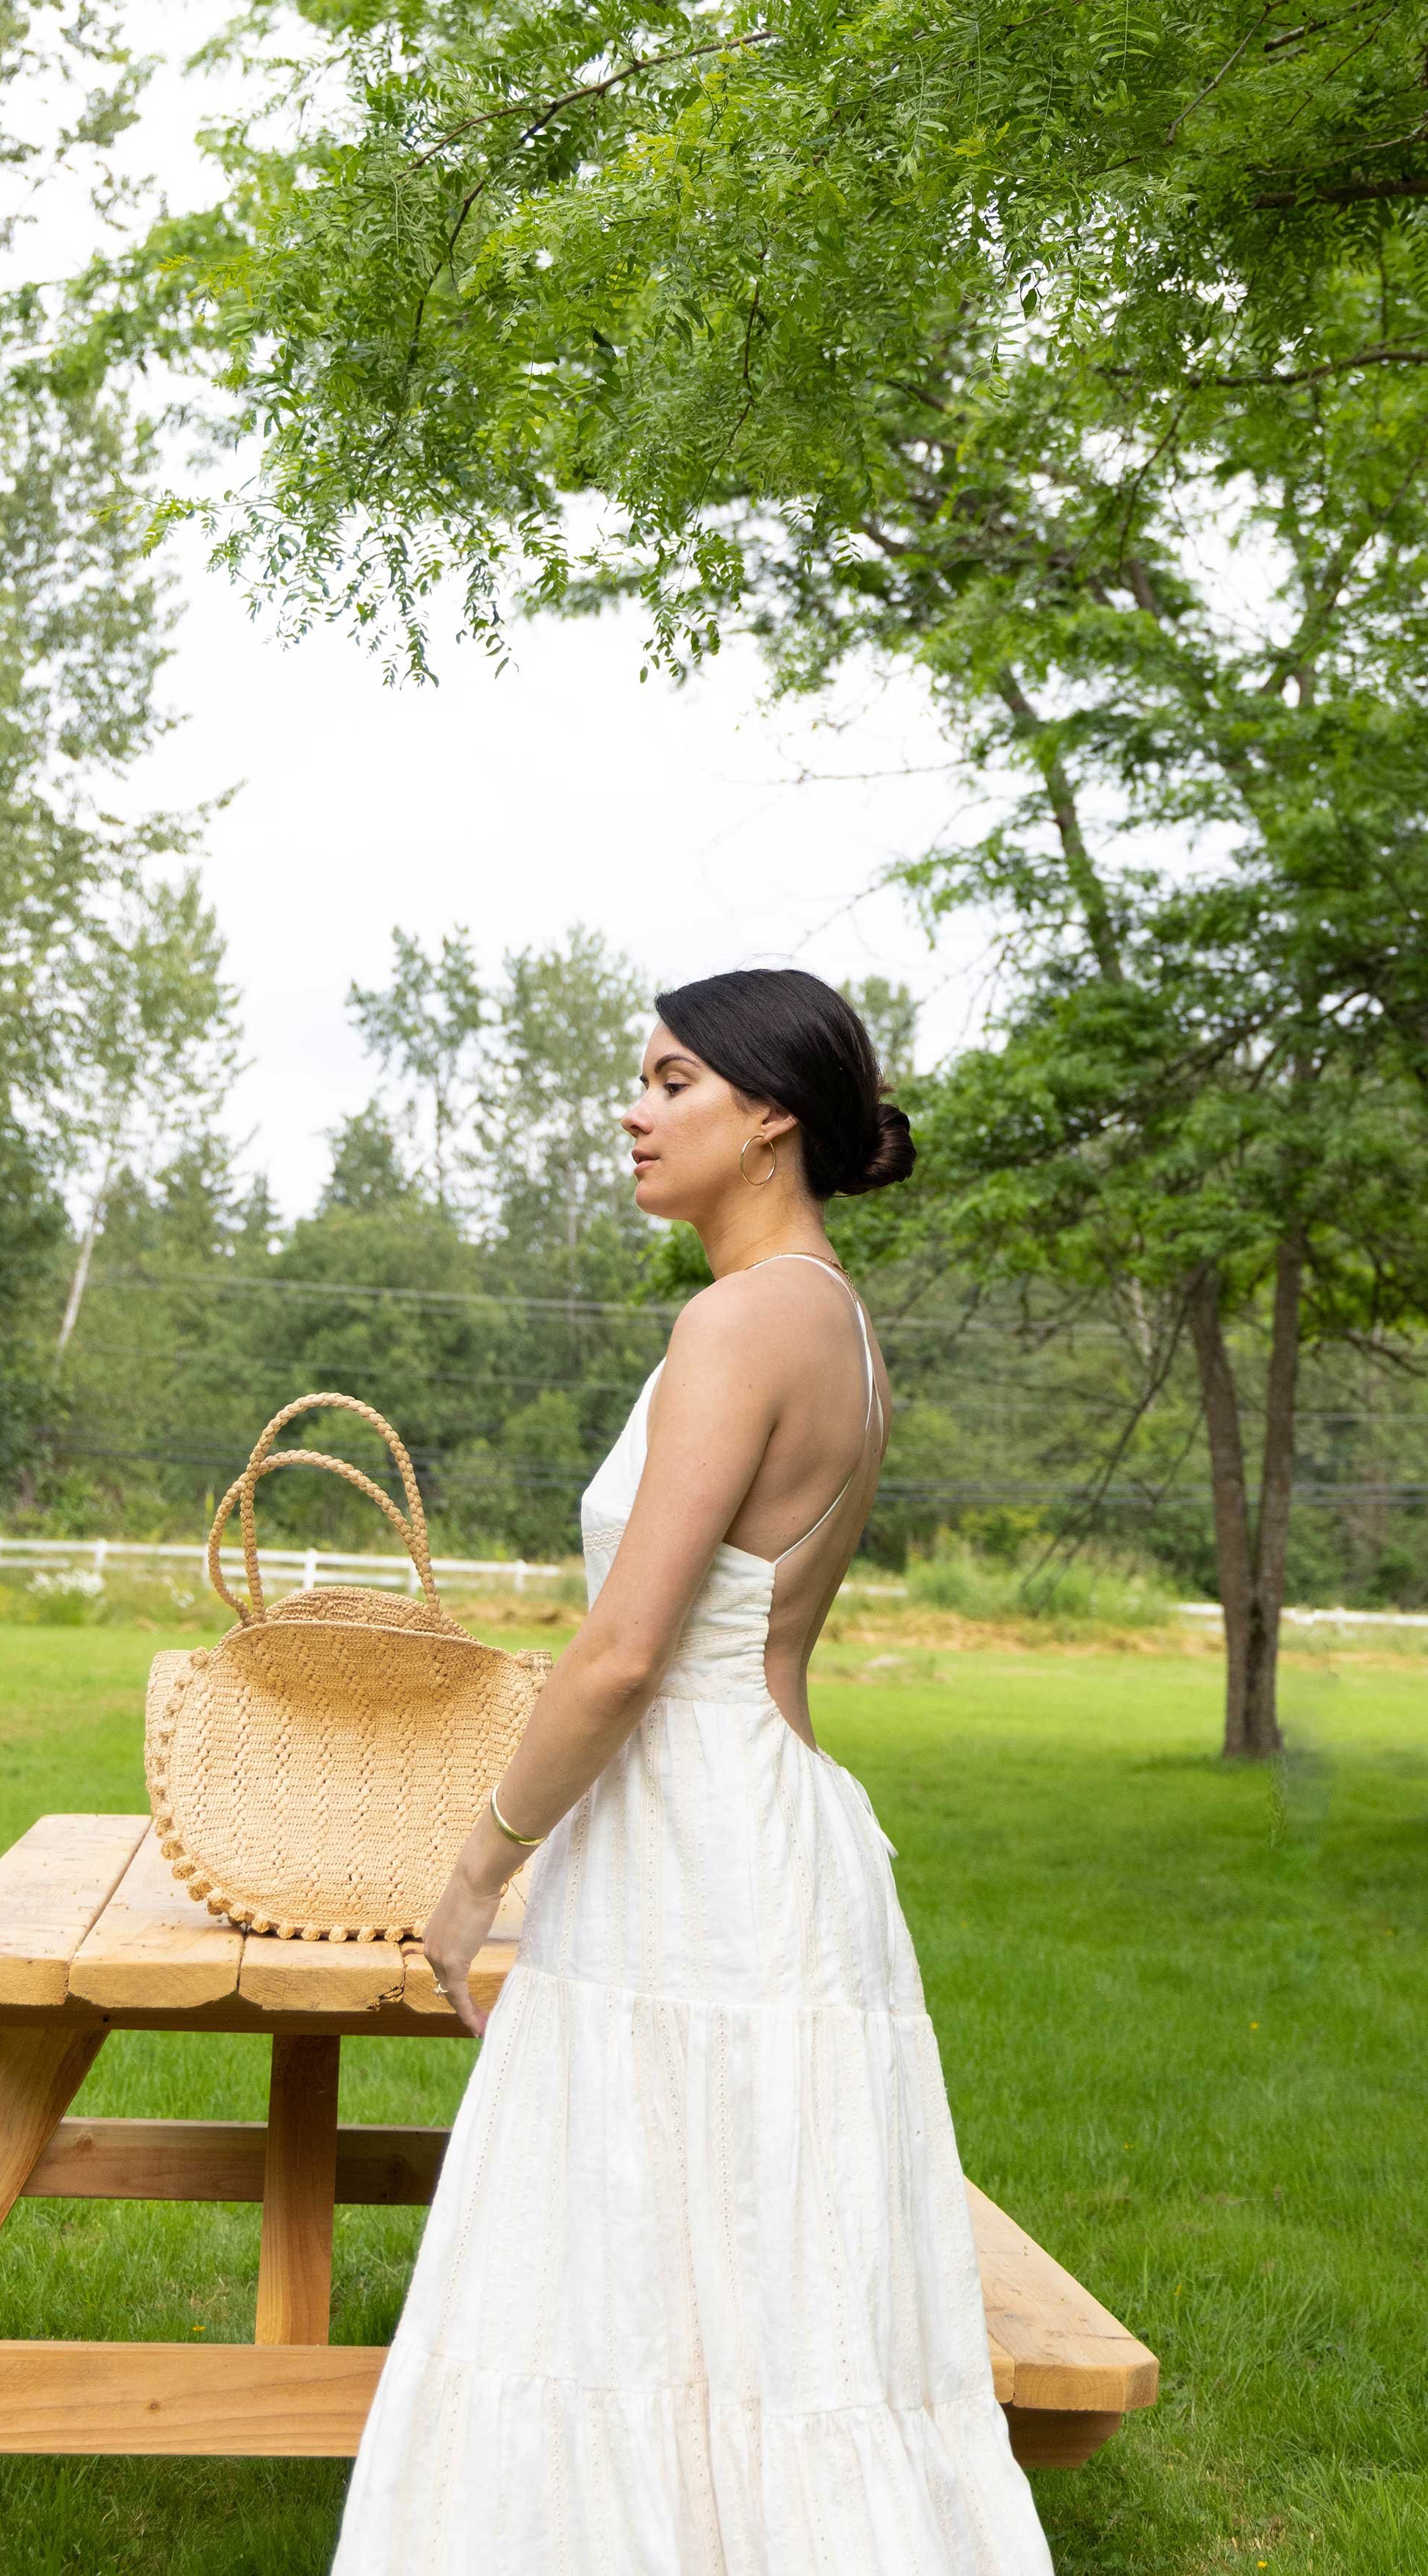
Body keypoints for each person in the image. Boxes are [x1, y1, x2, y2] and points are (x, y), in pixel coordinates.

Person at [331, 967, 1053, 2575]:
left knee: (635, 2261)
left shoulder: (739, 1317)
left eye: (670, 1081)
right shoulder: (837, 1322)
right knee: (751, 2281)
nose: (633, 1110)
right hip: (771, 1827)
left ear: (770, 1111)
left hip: (694, 1846)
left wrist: (475, 1869)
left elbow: (621, 1648)